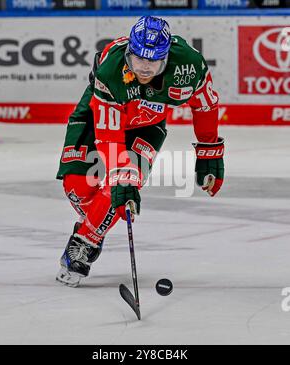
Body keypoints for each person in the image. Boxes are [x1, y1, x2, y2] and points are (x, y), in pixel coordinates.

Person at [56, 16, 225, 287]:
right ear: (129, 52)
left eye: (154, 61)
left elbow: (205, 103)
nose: (145, 68)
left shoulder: (189, 66)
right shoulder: (111, 68)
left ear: (166, 58)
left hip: (147, 127)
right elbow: (109, 131)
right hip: (96, 117)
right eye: (139, 60)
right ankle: (97, 218)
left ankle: (85, 243)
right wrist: (119, 174)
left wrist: (209, 150)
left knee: (118, 189)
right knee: (77, 188)